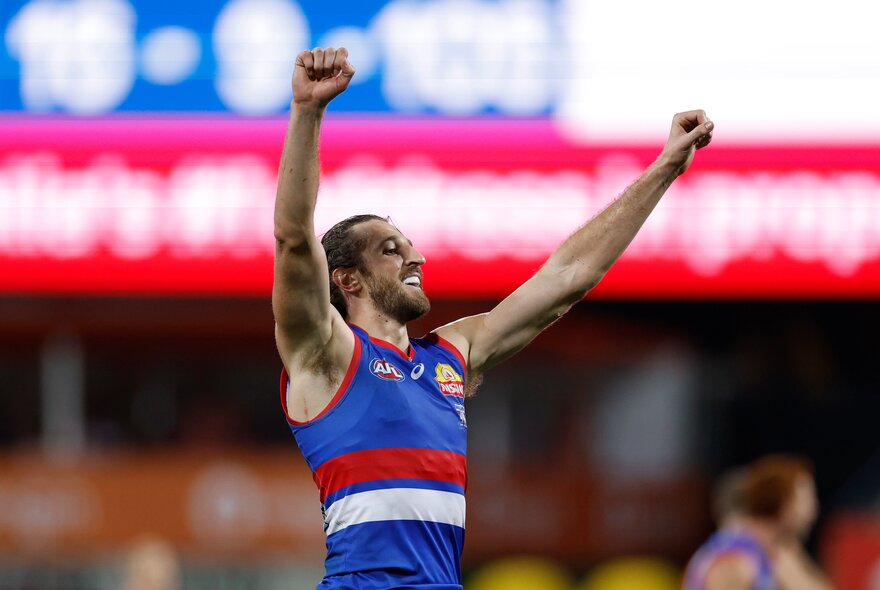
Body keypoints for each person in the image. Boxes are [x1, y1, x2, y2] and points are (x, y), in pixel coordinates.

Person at [273, 47, 714, 590]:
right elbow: (294, 239)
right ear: (347, 279)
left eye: (411, 246)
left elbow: (567, 278)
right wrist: (307, 111)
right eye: (391, 249)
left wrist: (665, 168)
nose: (416, 258)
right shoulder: (326, 354)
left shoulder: (450, 355)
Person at [683, 455, 835, 590]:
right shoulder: (737, 560)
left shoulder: (778, 551)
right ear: (784, 505)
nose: (814, 510)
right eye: (806, 500)